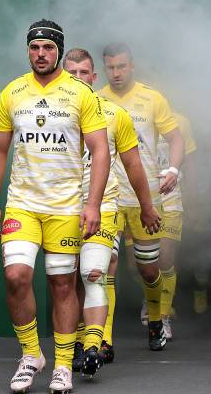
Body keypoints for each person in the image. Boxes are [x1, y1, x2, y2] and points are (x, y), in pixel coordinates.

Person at [0, 20, 110, 394]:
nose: (41, 54)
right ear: (28, 51)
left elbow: (100, 151)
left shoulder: (80, 93)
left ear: (59, 50)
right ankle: (30, 355)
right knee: (16, 276)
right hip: (22, 203)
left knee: (61, 283)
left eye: (48, 48)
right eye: (35, 47)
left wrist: (92, 205)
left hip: (66, 207)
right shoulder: (13, 91)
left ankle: (62, 364)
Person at [63, 48, 161, 370]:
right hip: (60, 208)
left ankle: (100, 340)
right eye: (71, 73)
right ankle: (78, 340)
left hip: (104, 205)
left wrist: (147, 206)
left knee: (99, 271)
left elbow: (133, 165)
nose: (78, 79)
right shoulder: (48, 112)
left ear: (94, 78)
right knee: (69, 279)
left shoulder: (113, 114)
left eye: (84, 74)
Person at [98, 43, 184, 351]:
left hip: (145, 196)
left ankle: (158, 318)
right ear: (104, 69)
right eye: (111, 67)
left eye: (121, 66)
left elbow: (176, 138)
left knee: (149, 268)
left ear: (132, 66)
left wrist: (173, 168)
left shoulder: (152, 98)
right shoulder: (96, 98)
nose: (117, 72)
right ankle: (103, 338)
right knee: (105, 265)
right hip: (108, 197)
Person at [138, 110, 198, 340]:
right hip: (137, 198)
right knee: (140, 265)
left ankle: (162, 315)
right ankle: (151, 295)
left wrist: (193, 199)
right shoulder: (132, 116)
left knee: (164, 257)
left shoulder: (181, 121)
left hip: (170, 197)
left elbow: (190, 162)